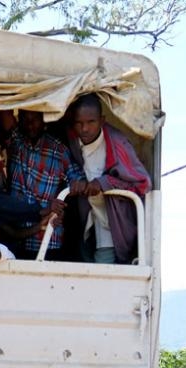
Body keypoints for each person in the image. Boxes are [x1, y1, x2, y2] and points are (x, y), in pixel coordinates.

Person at [65, 93, 152, 264]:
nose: (84, 129)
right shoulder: (72, 139)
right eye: (79, 123)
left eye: (91, 122)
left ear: (102, 120)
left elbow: (142, 183)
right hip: (84, 221)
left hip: (111, 224)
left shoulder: (117, 143)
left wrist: (104, 183)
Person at [5, 109, 87, 260]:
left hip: (48, 237)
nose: (30, 125)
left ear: (44, 120)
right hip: (16, 235)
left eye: (35, 119)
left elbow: (78, 180)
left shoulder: (58, 149)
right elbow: (5, 113)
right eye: (25, 119)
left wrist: (75, 187)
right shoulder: (16, 142)